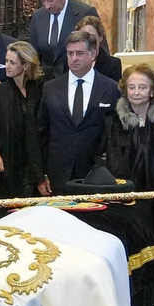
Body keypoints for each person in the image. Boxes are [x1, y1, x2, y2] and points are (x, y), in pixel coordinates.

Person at [101, 64, 154, 230]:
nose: (136, 92)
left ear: (152, 91)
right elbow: (100, 154)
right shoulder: (113, 119)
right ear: (125, 90)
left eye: (142, 87)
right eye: (131, 87)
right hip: (125, 192)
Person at [37, 28, 119, 194]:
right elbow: (41, 133)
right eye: (70, 53)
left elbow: (115, 135)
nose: (74, 58)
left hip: (96, 175)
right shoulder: (50, 88)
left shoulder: (110, 88)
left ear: (93, 54)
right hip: (58, 174)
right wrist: (41, 174)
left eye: (79, 53)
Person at [0, 40, 44, 200]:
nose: (7, 66)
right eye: (6, 61)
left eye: (12, 62)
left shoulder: (39, 91)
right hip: (6, 164)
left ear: (25, 65)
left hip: (32, 165)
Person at [28, 0, 95, 79]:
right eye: (43, 1)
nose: (47, 6)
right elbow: (34, 54)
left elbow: (97, 51)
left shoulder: (84, 13)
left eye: (51, 0)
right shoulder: (38, 17)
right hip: (45, 85)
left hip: (76, 80)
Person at [74, 13, 123, 81]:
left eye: (92, 36)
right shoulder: (72, 61)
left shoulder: (112, 64)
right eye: (84, 36)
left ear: (100, 37)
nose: (88, 40)